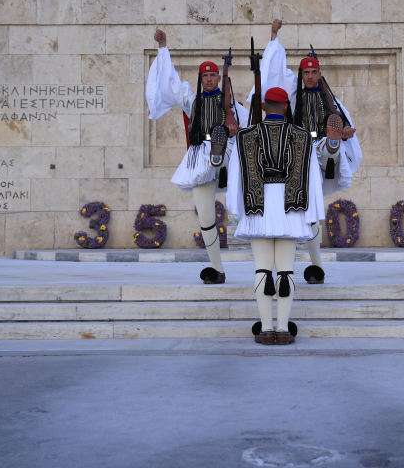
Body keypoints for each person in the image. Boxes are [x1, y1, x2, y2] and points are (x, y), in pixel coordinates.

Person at [249, 23, 362, 284]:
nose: (309, 76)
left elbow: (348, 125)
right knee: (310, 213)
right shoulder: (293, 97)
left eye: (313, 72)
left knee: (327, 147)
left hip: (320, 156)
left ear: (320, 73)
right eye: (306, 72)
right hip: (298, 157)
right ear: (301, 74)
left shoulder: (330, 101)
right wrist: (273, 38)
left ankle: (332, 147)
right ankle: (315, 267)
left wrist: (345, 132)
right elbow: (274, 76)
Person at [145, 28, 249, 284]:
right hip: (200, 159)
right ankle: (218, 270)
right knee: (205, 218)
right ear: (201, 78)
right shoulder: (192, 100)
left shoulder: (233, 105)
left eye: (214, 75)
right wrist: (163, 46)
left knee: (227, 154)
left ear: (218, 78)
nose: (210, 79)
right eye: (206, 75)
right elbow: (171, 81)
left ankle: (221, 154)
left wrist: (234, 126)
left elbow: (250, 129)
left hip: (228, 156)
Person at [227, 87, 324, 345]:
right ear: (284, 107)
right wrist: (312, 212)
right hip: (290, 208)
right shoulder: (303, 136)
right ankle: (283, 329)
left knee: (262, 268)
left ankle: (266, 329)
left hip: (257, 206)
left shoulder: (245, 136)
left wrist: (237, 209)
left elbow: (235, 176)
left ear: (262, 107)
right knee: (286, 271)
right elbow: (313, 179)